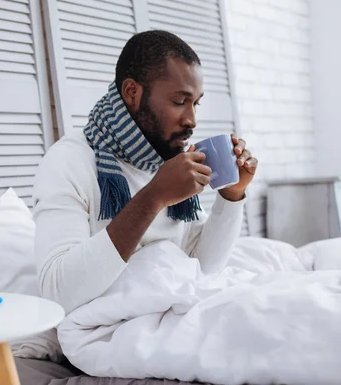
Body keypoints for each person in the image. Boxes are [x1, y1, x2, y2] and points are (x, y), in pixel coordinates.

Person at [32, 30, 258, 315]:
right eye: (179, 101)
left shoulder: (165, 158)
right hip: (114, 334)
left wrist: (232, 194)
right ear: (132, 93)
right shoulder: (69, 161)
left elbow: (202, 267)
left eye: (196, 103)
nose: (192, 120)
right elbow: (58, 292)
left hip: (173, 315)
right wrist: (153, 197)